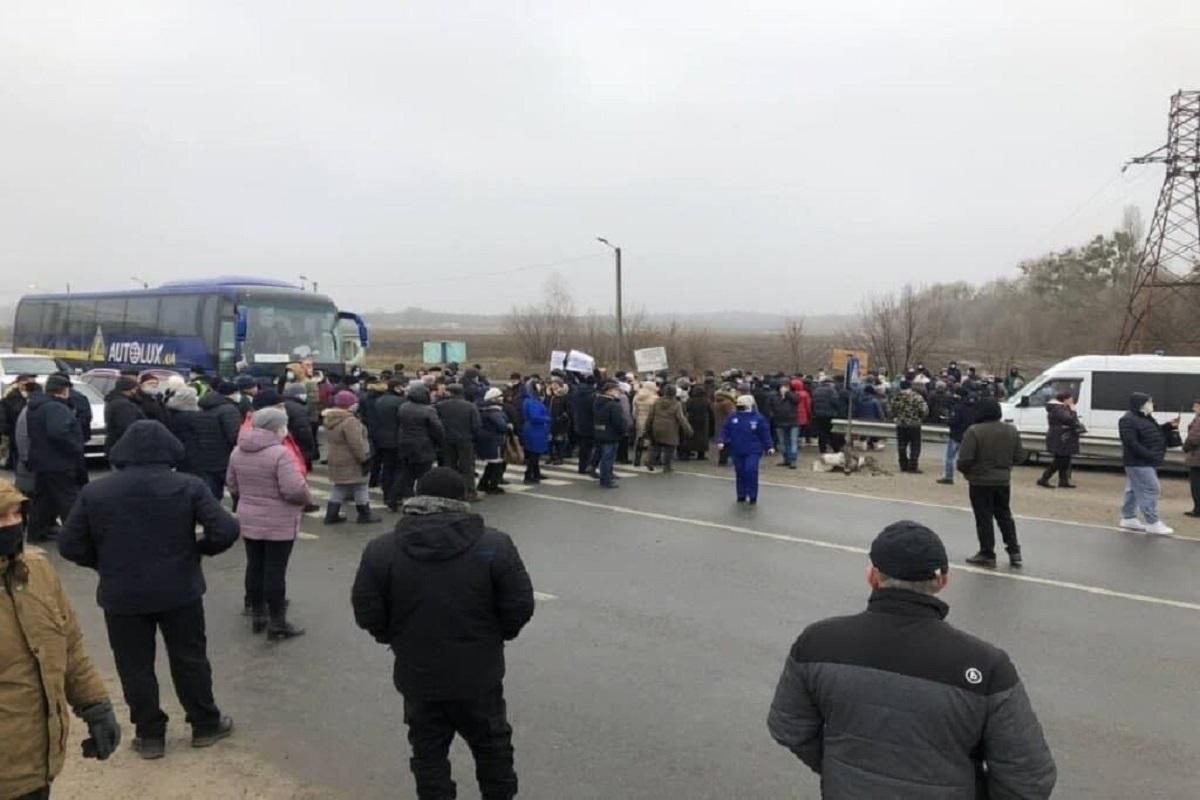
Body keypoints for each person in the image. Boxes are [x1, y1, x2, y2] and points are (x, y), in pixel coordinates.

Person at [768, 521, 1056, 799]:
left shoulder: (817, 642)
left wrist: (840, 770)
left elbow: (789, 726)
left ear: (873, 576)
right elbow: (1029, 776)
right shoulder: (986, 665)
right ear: (943, 580)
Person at [59, 420, 239, 760]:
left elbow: (70, 544)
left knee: (134, 666)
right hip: (180, 590)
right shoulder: (188, 486)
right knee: (190, 659)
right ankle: (204, 724)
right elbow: (226, 529)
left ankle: (150, 734)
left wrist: (103, 563)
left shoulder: (96, 491)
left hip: (122, 594)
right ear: (170, 449)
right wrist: (198, 551)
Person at [351, 468, 535, 800]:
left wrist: (395, 638)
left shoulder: (383, 549)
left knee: (428, 754)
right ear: (462, 499)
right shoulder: (493, 544)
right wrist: (495, 637)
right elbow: (519, 605)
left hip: (418, 674)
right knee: (493, 749)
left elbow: (367, 611)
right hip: (479, 673)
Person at [0, 479, 122, 800]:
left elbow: (69, 645)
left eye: (17, 514)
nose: (12, 525)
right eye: (1, 518)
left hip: (37, 761)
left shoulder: (37, 572)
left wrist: (94, 704)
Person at [225, 407, 312, 639]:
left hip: (249, 514)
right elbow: (294, 489)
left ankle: (257, 614)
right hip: (279, 518)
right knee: (275, 569)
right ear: (277, 427)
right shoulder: (280, 453)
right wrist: (306, 498)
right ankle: (277, 621)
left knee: (254, 565)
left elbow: (231, 484)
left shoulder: (238, 451)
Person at [958, 399, 1025, 568]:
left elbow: (965, 459)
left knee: (984, 517)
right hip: (1003, 480)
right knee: (1004, 515)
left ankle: (987, 552)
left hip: (980, 481)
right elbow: (1020, 457)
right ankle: (1014, 551)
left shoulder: (974, 431)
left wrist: (968, 472)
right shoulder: (1011, 430)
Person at [25, 375, 85, 544]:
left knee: (43, 500)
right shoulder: (56, 408)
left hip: (42, 461)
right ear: (64, 390)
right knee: (69, 500)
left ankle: (36, 533)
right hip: (59, 462)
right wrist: (75, 447)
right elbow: (58, 432)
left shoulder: (37, 406)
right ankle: (76, 537)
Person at [1117, 391, 1178, 535]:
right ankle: (1152, 522)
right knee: (1151, 488)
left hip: (1144, 461)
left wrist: (1168, 426)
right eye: (1148, 402)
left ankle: (1128, 517)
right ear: (1140, 404)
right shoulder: (1127, 420)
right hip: (1138, 462)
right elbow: (1130, 442)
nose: (1151, 405)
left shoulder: (1146, 417)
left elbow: (1153, 432)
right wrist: (1148, 454)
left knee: (1133, 489)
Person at [322, 390, 381, 525]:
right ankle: (364, 514)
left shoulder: (330, 419)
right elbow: (356, 444)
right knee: (361, 485)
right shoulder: (350, 421)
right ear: (349, 405)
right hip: (351, 459)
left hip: (336, 457)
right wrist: (364, 459)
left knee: (340, 486)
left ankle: (331, 514)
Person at [393, 383, 445, 509]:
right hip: (423, 444)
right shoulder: (428, 410)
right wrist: (440, 442)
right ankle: (422, 500)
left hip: (404, 442)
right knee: (424, 474)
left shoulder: (403, 407)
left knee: (405, 472)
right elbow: (437, 428)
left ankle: (394, 497)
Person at [718, 395, 775, 505]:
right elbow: (725, 429)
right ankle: (741, 495)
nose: (739, 406)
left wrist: (769, 446)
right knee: (740, 472)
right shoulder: (733, 417)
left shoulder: (758, 418)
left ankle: (752, 495)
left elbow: (765, 433)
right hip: (737, 449)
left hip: (753, 450)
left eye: (742, 404)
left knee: (750, 470)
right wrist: (722, 440)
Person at [436, 384, 481, 500]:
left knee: (449, 466)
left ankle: (449, 491)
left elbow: (436, 423)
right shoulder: (470, 406)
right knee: (467, 467)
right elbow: (476, 425)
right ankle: (469, 492)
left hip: (447, 440)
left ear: (450, 393)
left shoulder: (440, 406)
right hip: (465, 439)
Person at [1037, 391, 1084, 489]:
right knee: (1060, 460)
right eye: (1070, 399)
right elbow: (1070, 420)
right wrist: (1073, 411)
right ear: (1065, 399)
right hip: (1061, 437)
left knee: (1065, 459)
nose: (1072, 401)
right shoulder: (1059, 409)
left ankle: (1063, 480)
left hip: (1061, 436)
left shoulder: (1059, 408)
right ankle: (1044, 479)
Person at [645, 385, 693, 474]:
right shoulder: (676, 404)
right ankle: (667, 467)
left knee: (656, 445)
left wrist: (647, 427)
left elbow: (650, 416)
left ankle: (650, 461)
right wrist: (688, 429)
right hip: (670, 428)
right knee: (669, 448)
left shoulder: (657, 402)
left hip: (657, 426)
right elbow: (681, 418)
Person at [937, 385, 976, 486]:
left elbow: (954, 421)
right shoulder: (974, 407)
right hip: (969, 435)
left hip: (956, 435)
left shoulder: (958, 407)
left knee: (950, 457)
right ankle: (973, 477)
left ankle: (949, 477)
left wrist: (947, 420)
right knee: (969, 458)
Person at [374, 380, 404, 509]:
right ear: (397, 388)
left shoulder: (379, 400)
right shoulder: (401, 402)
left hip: (381, 438)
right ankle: (395, 496)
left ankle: (386, 494)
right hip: (397, 439)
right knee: (399, 469)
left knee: (387, 467)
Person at [593, 380, 628, 489]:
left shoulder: (597, 402)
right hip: (611, 434)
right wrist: (623, 430)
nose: (618, 392)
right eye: (616, 390)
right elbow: (618, 421)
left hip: (600, 431)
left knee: (604, 456)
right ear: (610, 391)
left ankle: (606, 476)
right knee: (608, 458)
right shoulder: (614, 405)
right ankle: (606, 479)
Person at [476, 388, 511, 495]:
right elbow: (502, 426)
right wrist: (509, 426)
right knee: (496, 464)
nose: (502, 399)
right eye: (499, 397)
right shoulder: (494, 411)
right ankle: (492, 486)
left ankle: (483, 483)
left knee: (491, 464)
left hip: (489, 440)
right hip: (495, 441)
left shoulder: (484, 410)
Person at [891, 379, 930, 473]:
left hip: (901, 424)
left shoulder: (896, 397)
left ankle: (903, 465)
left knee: (901, 445)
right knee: (915, 446)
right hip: (914, 424)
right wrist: (920, 417)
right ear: (910, 386)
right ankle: (913, 465)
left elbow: (892, 409)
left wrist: (898, 416)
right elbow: (924, 410)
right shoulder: (916, 397)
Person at [0, 373, 35, 470]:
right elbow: (11, 412)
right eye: (24, 384)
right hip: (14, 429)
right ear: (19, 384)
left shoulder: (35, 395)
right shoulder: (11, 397)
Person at [103, 375, 145, 455]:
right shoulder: (123, 405)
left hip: (116, 445)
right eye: (135, 389)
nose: (135, 391)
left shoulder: (113, 400)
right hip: (123, 448)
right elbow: (127, 427)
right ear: (129, 389)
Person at [519, 379, 550, 484]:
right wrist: (547, 418)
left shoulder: (531, 399)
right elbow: (535, 416)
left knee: (534, 453)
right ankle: (528, 475)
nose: (541, 387)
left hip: (533, 429)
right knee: (533, 454)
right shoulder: (532, 401)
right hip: (535, 430)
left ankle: (536, 473)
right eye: (538, 385)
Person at [770, 381, 801, 469]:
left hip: (793, 422)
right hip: (780, 422)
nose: (784, 388)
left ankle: (793, 460)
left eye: (787, 387)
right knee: (783, 442)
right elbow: (771, 406)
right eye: (782, 387)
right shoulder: (775, 397)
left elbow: (796, 400)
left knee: (793, 442)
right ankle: (786, 459)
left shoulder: (794, 395)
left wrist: (787, 394)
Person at [681, 385, 714, 462]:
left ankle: (686, 453)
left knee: (690, 437)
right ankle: (701, 455)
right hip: (703, 422)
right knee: (702, 439)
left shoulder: (690, 401)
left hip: (691, 420)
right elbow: (711, 412)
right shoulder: (706, 401)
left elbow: (685, 410)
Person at [632, 381, 659, 468]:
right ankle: (649, 459)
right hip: (651, 421)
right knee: (652, 441)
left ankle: (637, 460)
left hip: (639, 421)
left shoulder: (637, 397)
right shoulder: (655, 398)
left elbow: (634, 411)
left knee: (639, 439)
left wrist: (636, 419)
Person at [811, 378, 840, 454]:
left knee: (821, 431)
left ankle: (822, 448)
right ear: (830, 383)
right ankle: (836, 448)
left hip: (818, 414)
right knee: (832, 431)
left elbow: (813, 402)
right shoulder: (831, 390)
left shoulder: (816, 390)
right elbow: (835, 402)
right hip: (830, 414)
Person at [1183, 398, 1200, 518]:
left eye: (1196, 405)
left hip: (1197, 458)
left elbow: (1194, 438)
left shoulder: (1199, 420)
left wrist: (1185, 447)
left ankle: (1197, 510)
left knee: (1196, 484)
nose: (1193, 408)